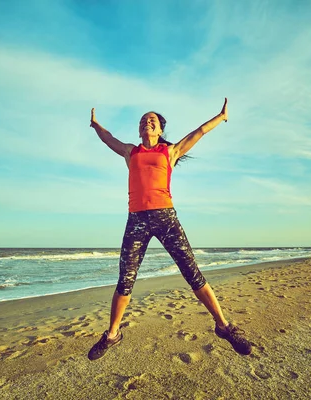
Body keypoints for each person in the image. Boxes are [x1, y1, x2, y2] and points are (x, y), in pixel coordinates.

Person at [87, 98, 251, 361]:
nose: (146, 122)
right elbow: (109, 139)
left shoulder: (170, 151)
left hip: (166, 218)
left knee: (193, 274)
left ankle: (224, 327)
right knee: (125, 280)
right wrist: (96, 125)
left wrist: (221, 117)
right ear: (140, 130)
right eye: (143, 120)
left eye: (151, 120)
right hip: (137, 220)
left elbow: (198, 132)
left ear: (160, 129)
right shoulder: (131, 152)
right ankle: (112, 335)